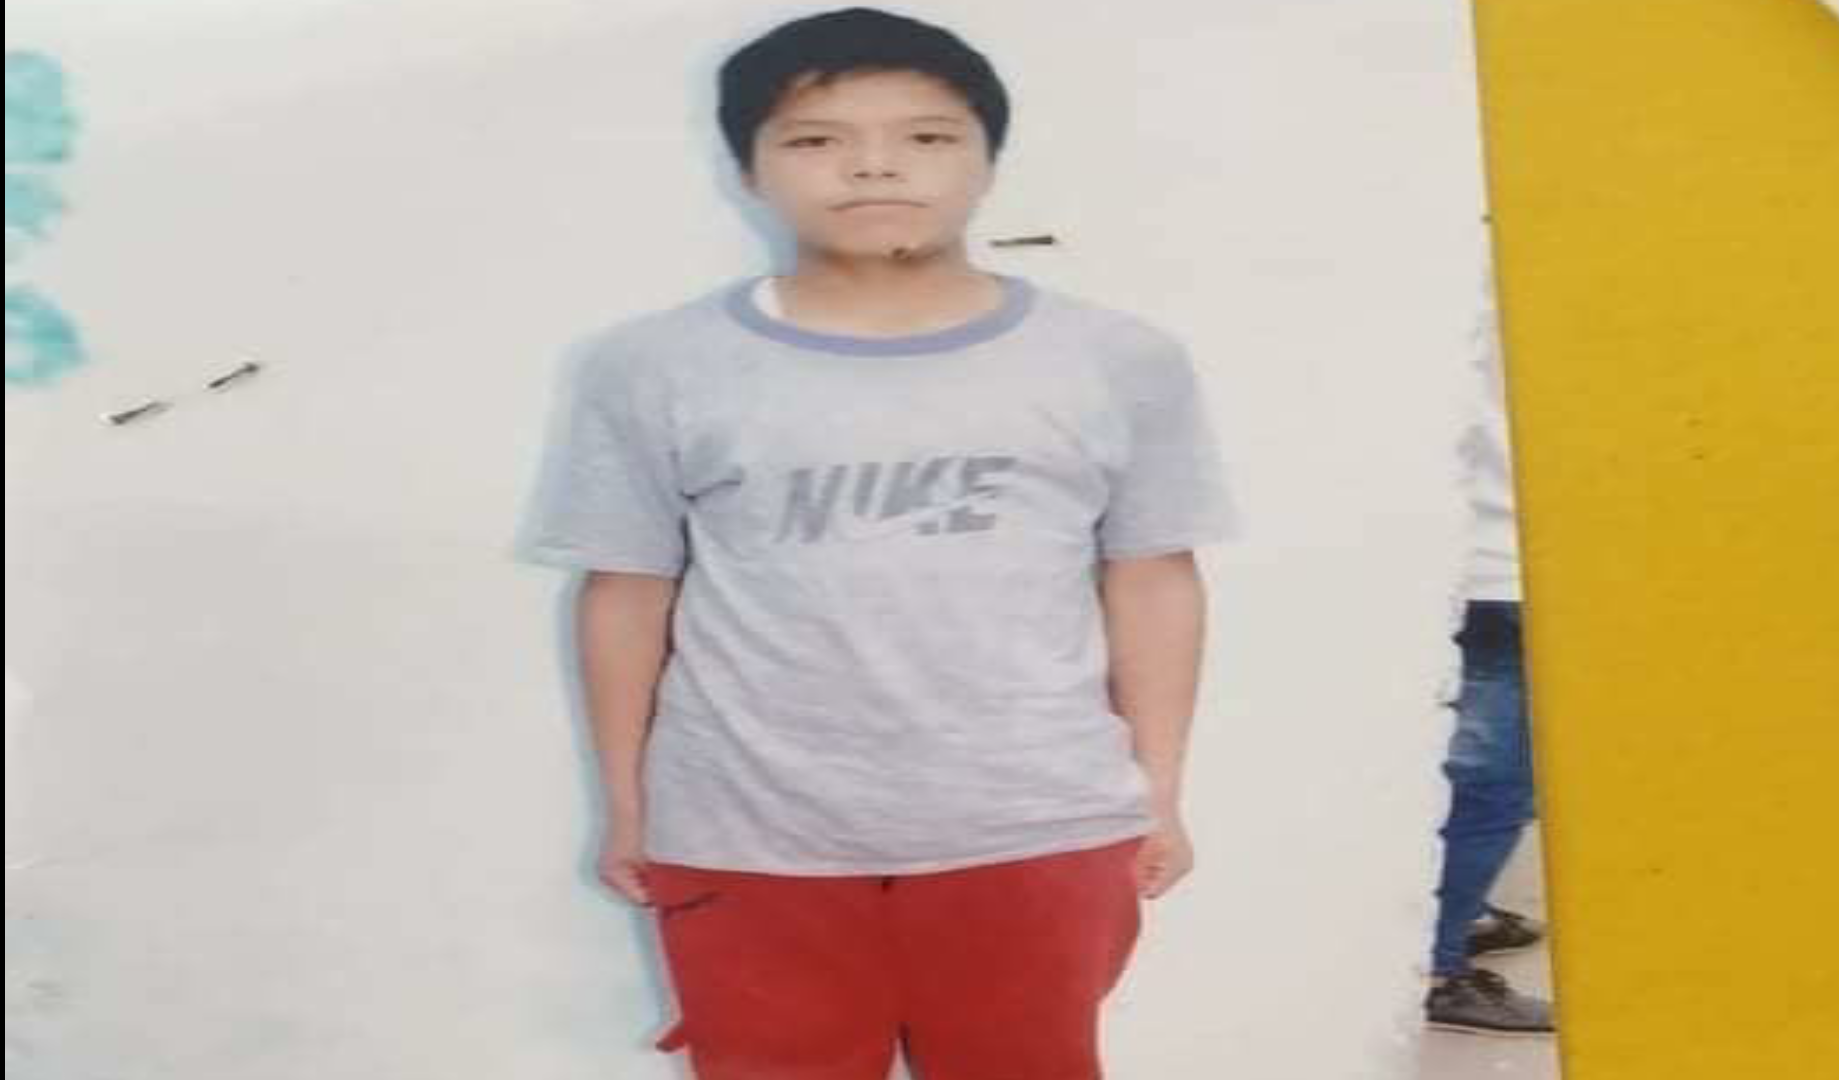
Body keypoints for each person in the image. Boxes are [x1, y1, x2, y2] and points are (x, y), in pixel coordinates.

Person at [514, 9, 1244, 1078]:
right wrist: (631, 806)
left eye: (926, 136)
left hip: (1037, 822)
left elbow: (1152, 577)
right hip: (748, 829)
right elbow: (626, 590)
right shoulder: (654, 366)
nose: (872, 165)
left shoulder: (1116, 359)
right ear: (747, 166)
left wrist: (1158, 792)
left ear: (987, 159)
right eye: (816, 138)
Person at [1425, 279, 1558, 1038]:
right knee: (1497, 780)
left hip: (1485, 559)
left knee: (1480, 768)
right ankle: (1439, 966)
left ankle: (1459, 915)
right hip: (1505, 563)